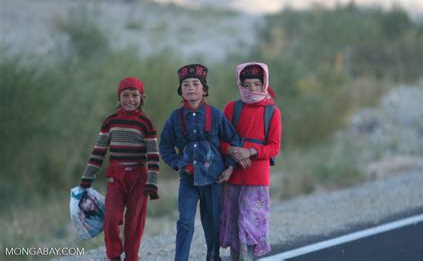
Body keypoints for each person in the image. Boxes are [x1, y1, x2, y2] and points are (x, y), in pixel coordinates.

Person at [159, 64, 241, 261]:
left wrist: (230, 167)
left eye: (195, 84)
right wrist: (177, 163)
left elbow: (234, 140)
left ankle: (213, 256)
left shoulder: (215, 115)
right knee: (185, 222)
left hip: (214, 180)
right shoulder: (175, 118)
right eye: (185, 84)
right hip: (188, 180)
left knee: (213, 222)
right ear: (181, 91)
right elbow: (165, 145)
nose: (191, 88)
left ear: (204, 89)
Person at [79, 77, 160, 261]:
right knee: (110, 219)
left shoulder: (146, 123)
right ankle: (114, 255)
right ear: (119, 97)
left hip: (139, 178)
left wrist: (152, 183)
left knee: (134, 222)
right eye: (125, 95)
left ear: (141, 97)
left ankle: (131, 256)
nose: (129, 99)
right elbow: (98, 152)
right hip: (115, 178)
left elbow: (154, 156)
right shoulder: (110, 122)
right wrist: (87, 178)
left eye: (134, 95)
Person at [220, 62, 282, 261]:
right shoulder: (231, 108)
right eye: (247, 84)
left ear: (264, 83)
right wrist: (233, 152)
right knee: (234, 223)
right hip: (233, 174)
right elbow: (219, 140)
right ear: (240, 84)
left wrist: (250, 152)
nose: (252, 89)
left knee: (251, 227)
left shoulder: (272, 112)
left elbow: (274, 147)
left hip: (257, 178)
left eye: (256, 83)